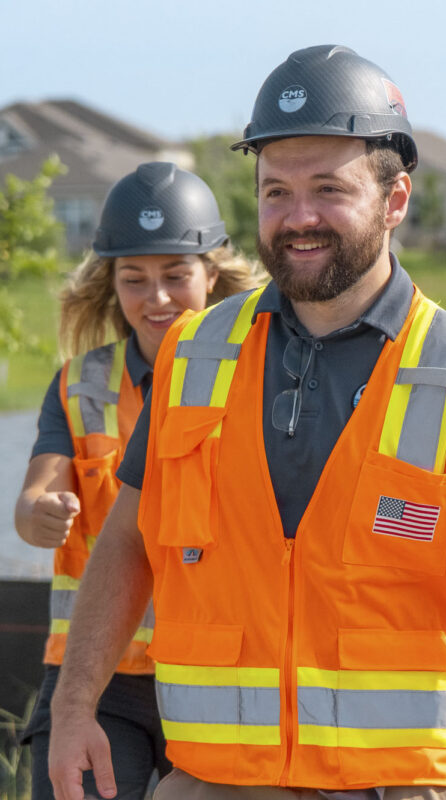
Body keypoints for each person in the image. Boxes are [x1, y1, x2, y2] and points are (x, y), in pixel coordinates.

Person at [46, 45, 446, 800]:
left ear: (396, 200)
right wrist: (73, 708)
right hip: (215, 781)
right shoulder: (194, 355)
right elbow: (129, 541)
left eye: (328, 189)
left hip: (401, 785)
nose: (299, 218)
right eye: (276, 192)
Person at [15, 161, 262, 800]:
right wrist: (41, 513)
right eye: (135, 280)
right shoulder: (78, 385)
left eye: (176, 276)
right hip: (94, 678)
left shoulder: (254, 380)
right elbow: (33, 500)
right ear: (111, 285)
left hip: (214, 670)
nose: (156, 298)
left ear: (213, 275)